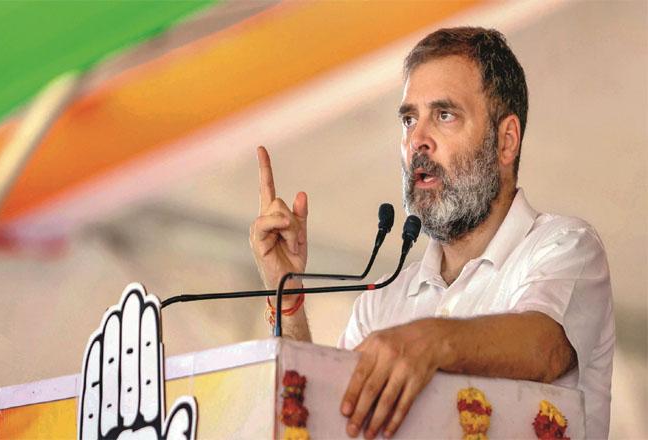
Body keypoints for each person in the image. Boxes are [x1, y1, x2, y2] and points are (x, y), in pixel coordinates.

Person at [249, 27, 613, 439]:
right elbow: (325, 419)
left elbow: (542, 347)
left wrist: (431, 342)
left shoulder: (564, 248)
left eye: (444, 115)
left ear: (506, 141)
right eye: (408, 119)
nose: (417, 141)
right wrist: (287, 295)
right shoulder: (382, 304)